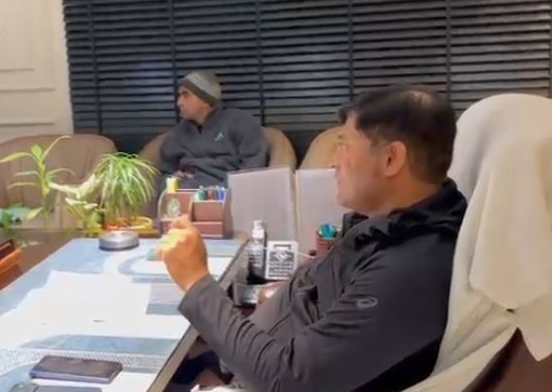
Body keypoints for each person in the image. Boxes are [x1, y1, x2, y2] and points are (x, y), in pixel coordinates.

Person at [159, 86, 467, 392]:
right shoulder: (390, 224)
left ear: (391, 158)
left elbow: (285, 380)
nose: (333, 162)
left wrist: (196, 281)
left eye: (344, 146)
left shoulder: (409, 271)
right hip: (243, 362)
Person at [158, 71, 268, 189]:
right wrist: (172, 179)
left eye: (186, 96)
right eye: (179, 96)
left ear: (206, 101)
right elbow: (164, 173)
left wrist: (220, 190)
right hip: (188, 192)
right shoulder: (178, 133)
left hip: (228, 192)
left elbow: (253, 167)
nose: (179, 103)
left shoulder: (240, 122)